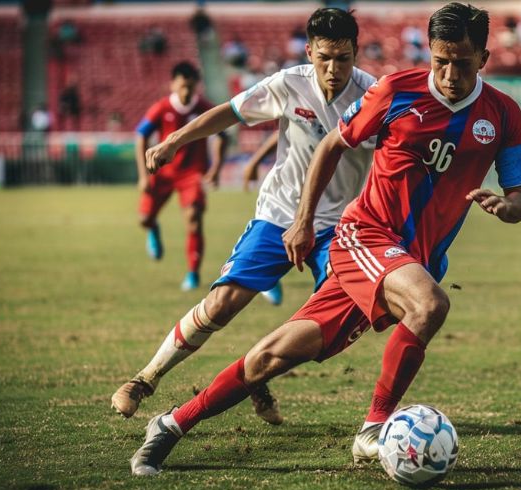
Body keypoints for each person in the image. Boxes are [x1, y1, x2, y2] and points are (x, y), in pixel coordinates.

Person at [128, 2, 521, 476]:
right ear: (429, 51)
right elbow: (331, 144)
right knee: (429, 305)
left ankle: (170, 424)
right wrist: (303, 220)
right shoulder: (396, 91)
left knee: (270, 358)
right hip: (365, 236)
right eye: (440, 61)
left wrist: (507, 208)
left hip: (408, 262)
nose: (449, 74)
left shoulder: (503, 114)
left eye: (462, 63)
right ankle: (373, 430)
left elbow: (518, 200)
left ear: (484, 57)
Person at [111, 8, 376, 429]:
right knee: (222, 303)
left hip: (338, 227)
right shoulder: (289, 83)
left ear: (356, 54)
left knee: (328, 317)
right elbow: (230, 112)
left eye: (343, 58)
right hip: (278, 214)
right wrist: (175, 140)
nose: (333, 69)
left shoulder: (375, 97)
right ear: (309, 52)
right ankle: (145, 379)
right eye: (324, 57)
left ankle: (257, 369)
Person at [133, 61, 227, 292]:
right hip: (162, 172)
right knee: (143, 219)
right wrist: (143, 175)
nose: (186, 91)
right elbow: (140, 135)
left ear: (196, 86)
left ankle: (193, 273)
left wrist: (216, 168)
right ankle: (153, 227)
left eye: (190, 87)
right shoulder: (161, 108)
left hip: (192, 174)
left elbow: (223, 136)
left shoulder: (204, 108)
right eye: (182, 86)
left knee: (194, 220)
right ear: (173, 84)